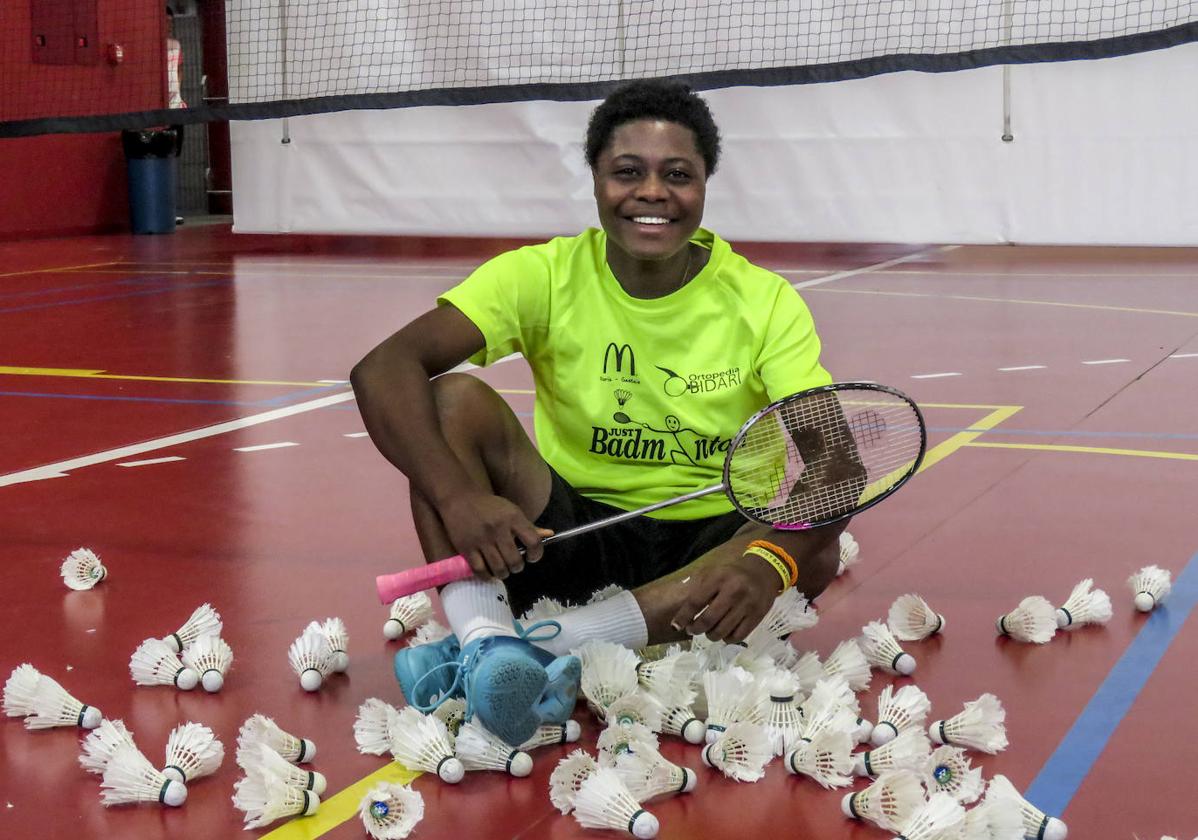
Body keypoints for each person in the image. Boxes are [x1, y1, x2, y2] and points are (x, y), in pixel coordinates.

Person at [351, 79, 845, 745]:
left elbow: (836, 464)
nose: (652, 192)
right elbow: (382, 368)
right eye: (627, 172)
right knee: (446, 403)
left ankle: (511, 648)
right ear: (595, 180)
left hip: (710, 547)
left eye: (678, 174)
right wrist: (460, 500)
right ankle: (489, 634)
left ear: (705, 185)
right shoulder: (543, 275)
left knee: (811, 553)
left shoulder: (764, 301)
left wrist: (767, 563)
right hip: (568, 538)